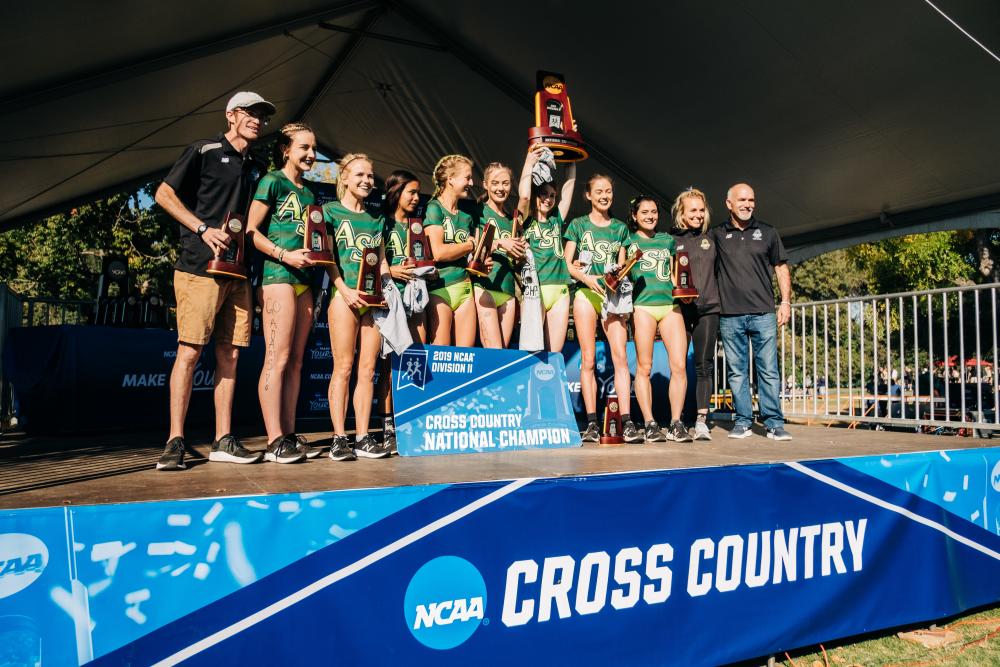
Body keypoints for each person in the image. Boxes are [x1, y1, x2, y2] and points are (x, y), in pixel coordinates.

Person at [154, 91, 274, 471]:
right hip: (199, 267)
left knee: (231, 354)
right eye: (251, 113)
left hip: (239, 272)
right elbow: (163, 194)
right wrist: (202, 228)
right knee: (189, 352)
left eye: (262, 116)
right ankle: (175, 440)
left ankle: (223, 439)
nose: (257, 120)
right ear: (232, 115)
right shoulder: (203, 149)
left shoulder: (257, 164)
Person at [245, 122, 327, 464]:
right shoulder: (272, 181)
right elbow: (250, 231)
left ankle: (289, 435)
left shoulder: (310, 193)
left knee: (295, 361)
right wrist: (283, 254)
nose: (310, 155)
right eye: (304, 148)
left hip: (304, 280)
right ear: (286, 150)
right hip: (278, 275)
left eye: (313, 149)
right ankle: (273, 438)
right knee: (276, 359)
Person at [323, 153, 392, 460]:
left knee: (368, 370)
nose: (367, 181)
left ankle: (363, 436)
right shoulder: (329, 212)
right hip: (344, 297)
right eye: (360, 175)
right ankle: (339, 438)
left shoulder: (377, 219)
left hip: (373, 301)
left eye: (370, 176)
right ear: (346, 178)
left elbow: (383, 261)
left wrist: (387, 288)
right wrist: (343, 289)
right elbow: (327, 258)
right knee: (344, 368)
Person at [712, 183, 792, 440]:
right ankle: (743, 420)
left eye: (751, 200)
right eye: (742, 200)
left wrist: (786, 302)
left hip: (764, 313)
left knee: (768, 369)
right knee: (737, 372)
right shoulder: (716, 235)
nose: (747, 204)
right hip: (729, 314)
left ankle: (773, 423)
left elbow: (781, 268)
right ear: (729, 204)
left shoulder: (768, 232)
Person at [564, 174, 637, 442]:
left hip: (613, 295)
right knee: (588, 359)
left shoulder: (620, 228)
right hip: (586, 292)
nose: (605, 196)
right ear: (589, 195)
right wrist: (587, 279)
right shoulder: (578, 224)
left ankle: (627, 422)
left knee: (619, 357)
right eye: (599, 191)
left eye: (608, 191)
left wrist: (617, 275)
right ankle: (592, 423)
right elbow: (567, 262)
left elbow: (623, 266)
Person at [627, 196, 691, 443]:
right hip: (642, 306)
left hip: (670, 305)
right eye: (644, 212)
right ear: (634, 215)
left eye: (654, 211)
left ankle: (676, 423)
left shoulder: (667, 240)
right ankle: (650, 423)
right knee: (644, 367)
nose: (650, 215)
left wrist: (685, 293)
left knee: (679, 366)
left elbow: (678, 275)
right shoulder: (628, 239)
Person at [378, 169, 429, 453]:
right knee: (388, 361)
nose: (416, 198)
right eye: (411, 192)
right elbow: (370, 259)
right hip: (389, 297)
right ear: (396, 192)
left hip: (415, 298)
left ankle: (411, 418)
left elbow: (424, 257)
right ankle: (387, 424)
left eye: (418, 193)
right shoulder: (382, 223)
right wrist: (392, 270)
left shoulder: (415, 225)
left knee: (414, 357)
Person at [670, 188, 720, 441]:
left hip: (709, 307)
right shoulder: (670, 239)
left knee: (704, 365)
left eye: (702, 210)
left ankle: (702, 420)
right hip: (679, 309)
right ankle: (676, 421)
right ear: (681, 213)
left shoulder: (713, 237)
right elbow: (666, 272)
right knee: (678, 366)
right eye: (693, 210)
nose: (698, 215)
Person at [517, 146, 576, 352]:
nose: (548, 199)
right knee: (531, 349)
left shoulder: (556, 219)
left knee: (554, 353)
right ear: (535, 194)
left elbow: (569, 188)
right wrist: (529, 162)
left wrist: (571, 151)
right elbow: (524, 196)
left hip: (560, 290)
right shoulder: (525, 220)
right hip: (535, 290)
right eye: (543, 194)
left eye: (552, 195)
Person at [425, 155, 478, 347]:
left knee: (465, 356)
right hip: (440, 287)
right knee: (442, 355)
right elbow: (438, 252)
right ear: (451, 179)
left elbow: (472, 254)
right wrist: (470, 245)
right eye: (467, 178)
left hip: (465, 287)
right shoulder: (433, 208)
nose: (471, 183)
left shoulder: (466, 217)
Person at [473, 162, 526, 348]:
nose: (500, 188)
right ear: (485, 184)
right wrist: (500, 243)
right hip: (484, 286)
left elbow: (516, 261)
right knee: (493, 352)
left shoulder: (511, 220)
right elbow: (473, 249)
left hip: (508, 291)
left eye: (505, 183)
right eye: (495, 183)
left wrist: (520, 251)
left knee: (502, 355)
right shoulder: (477, 212)